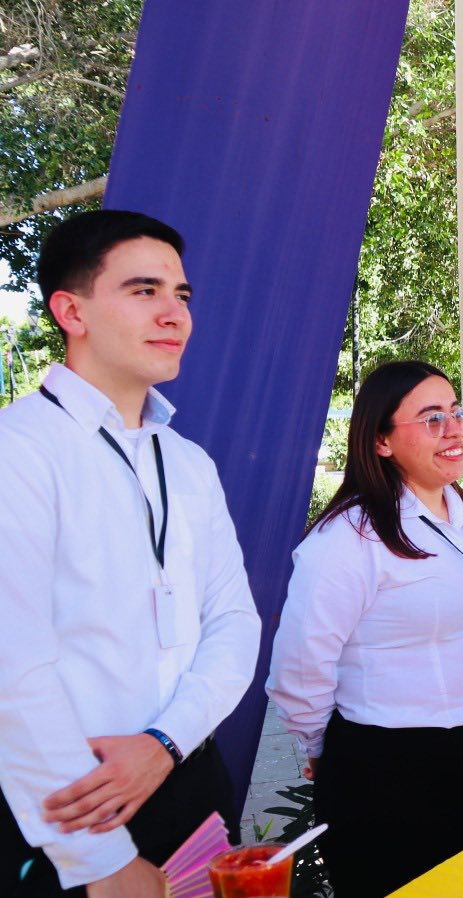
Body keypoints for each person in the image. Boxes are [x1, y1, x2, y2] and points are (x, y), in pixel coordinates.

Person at [0, 210, 261, 897]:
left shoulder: (190, 462)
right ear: (70, 310)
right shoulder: (19, 450)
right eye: (145, 290)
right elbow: (12, 667)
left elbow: (235, 623)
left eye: (182, 295)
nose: (174, 313)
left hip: (190, 777)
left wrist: (165, 743)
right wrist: (102, 862)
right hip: (68, 803)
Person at [267, 360, 463, 898]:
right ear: (381, 441)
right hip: (388, 768)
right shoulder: (348, 537)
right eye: (431, 419)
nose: (454, 429)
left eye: (456, 412)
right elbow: (300, 664)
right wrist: (318, 744)